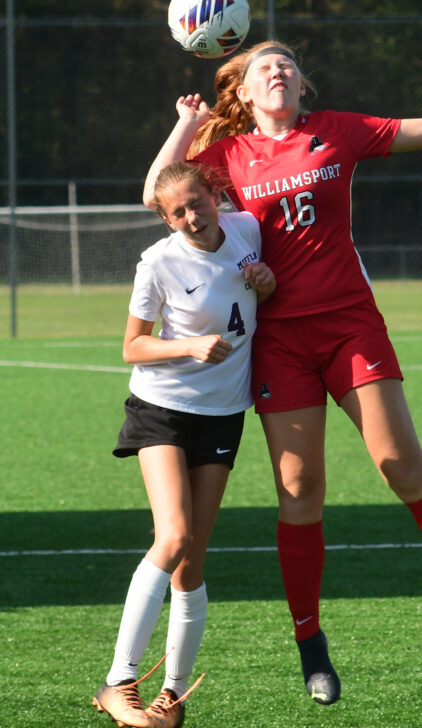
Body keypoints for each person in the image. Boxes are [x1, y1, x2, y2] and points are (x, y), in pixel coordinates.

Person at [143, 39, 422, 706]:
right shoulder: (228, 155)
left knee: (399, 465)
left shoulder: (336, 132)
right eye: (266, 66)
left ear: (302, 84)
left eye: (288, 64)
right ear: (245, 91)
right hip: (279, 339)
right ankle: (311, 645)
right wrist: (187, 124)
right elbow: (158, 192)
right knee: (299, 490)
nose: (280, 71)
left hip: (349, 324)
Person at [93, 160, 275, 728]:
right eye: (177, 212)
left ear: (215, 195)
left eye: (197, 203)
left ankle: (172, 696)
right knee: (173, 535)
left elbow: (259, 300)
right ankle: (118, 681)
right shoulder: (158, 262)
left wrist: (267, 284)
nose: (192, 217)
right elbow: (132, 347)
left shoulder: (247, 229)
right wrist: (189, 346)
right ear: (166, 219)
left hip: (223, 415)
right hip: (162, 409)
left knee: (191, 562)